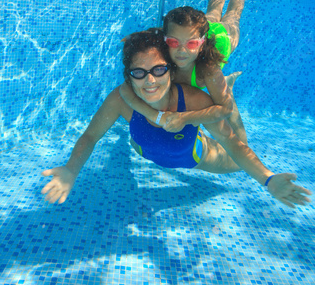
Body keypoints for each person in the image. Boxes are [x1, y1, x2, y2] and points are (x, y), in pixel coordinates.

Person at [41, 29, 311, 208]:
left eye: (158, 70)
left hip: (195, 156)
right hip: (146, 148)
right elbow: (90, 136)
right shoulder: (120, 99)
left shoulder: (194, 100)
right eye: (139, 72)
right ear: (128, 76)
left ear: (170, 69)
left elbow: (233, 146)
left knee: (240, 142)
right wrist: (71, 169)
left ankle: (228, 91)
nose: (150, 80)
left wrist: (267, 179)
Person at [120, 0, 249, 143]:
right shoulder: (167, 49)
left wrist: (185, 118)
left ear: (201, 45)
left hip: (220, 41)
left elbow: (226, 108)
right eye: (173, 42)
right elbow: (125, 89)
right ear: (167, 40)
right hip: (194, 33)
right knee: (213, 12)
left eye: (192, 44)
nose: (181, 51)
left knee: (233, 15)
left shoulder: (207, 68)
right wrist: (136, 38)